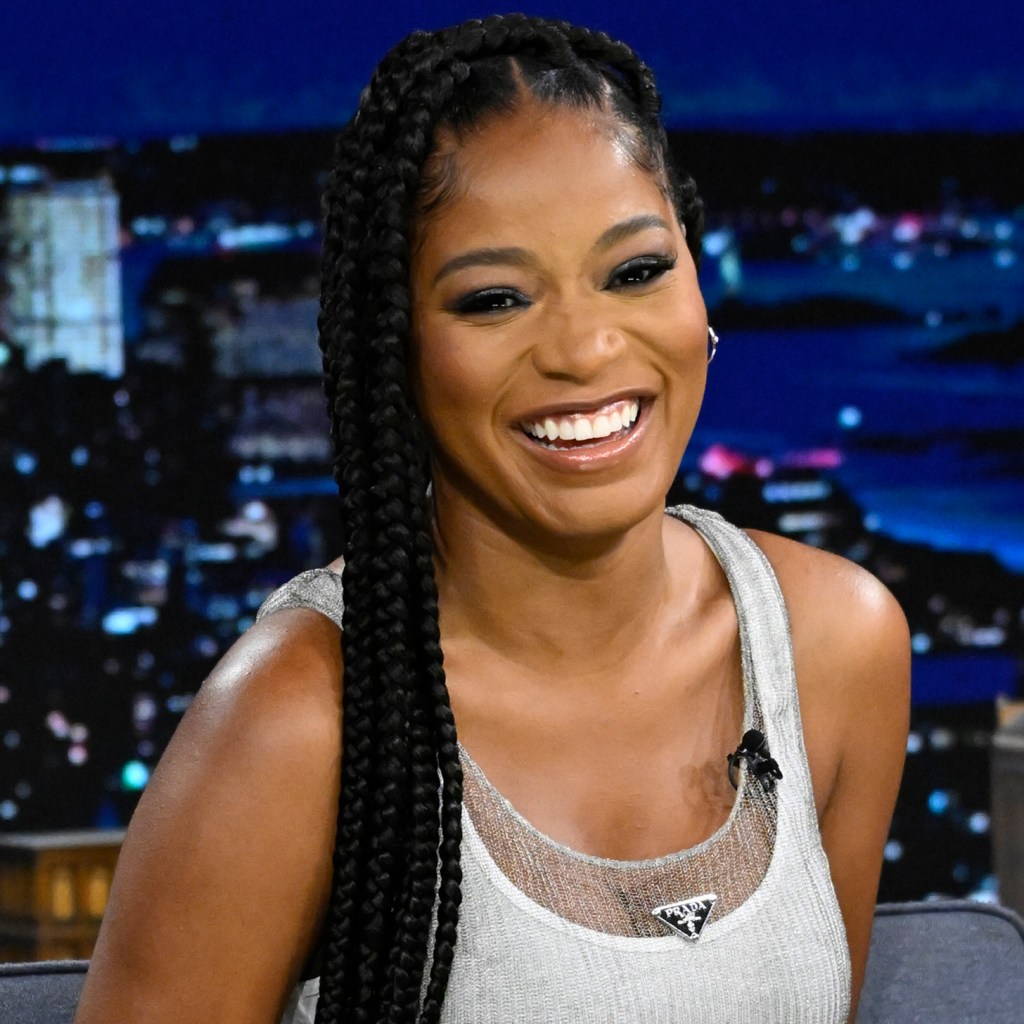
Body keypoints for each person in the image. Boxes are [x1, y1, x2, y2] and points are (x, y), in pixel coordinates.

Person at [74, 14, 909, 1024]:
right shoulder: (299, 721)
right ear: (396, 348)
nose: (584, 349)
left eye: (635, 272)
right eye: (496, 299)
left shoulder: (834, 645)